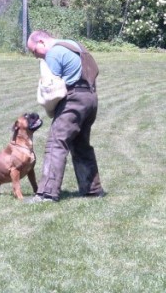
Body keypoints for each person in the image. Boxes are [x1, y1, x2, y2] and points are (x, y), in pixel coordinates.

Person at [25, 30, 105, 203]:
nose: (35, 56)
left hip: (74, 99)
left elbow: (51, 88)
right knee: (81, 144)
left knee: (56, 142)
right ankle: (92, 190)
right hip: (91, 98)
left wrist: (50, 108)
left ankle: (46, 194)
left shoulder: (54, 52)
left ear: (41, 42)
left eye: (34, 51)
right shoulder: (74, 46)